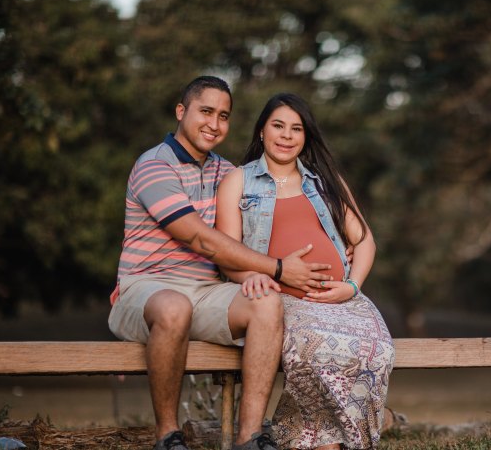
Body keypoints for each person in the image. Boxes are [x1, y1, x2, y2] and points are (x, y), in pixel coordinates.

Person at [108, 76, 336, 450]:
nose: (215, 124)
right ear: (182, 112)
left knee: (266, 304)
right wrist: (276, 268)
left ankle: (250, 437)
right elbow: (199, 238)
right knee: (173, 306)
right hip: (145, 289)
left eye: (224, 116)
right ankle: (167, 435)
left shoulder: (227, 173)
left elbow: (261, 227)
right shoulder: (153, 165)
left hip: (207, 293)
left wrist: (334, 250)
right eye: (206, 112)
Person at [215, 93, 395, 449]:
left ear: (306, 137)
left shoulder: (325, 181)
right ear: (262, 131)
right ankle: (322, 441)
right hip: (284, 299)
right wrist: (250, 275)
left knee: (379, 349)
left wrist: (352, 286)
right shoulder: (239, 181)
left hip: (341, 299)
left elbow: (365, 241)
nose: (286, 136)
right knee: (313, 351)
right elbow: (226, 253)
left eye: (296, 129)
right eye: (278, 126)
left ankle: (343, 436)